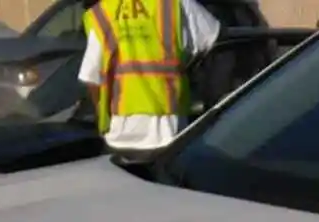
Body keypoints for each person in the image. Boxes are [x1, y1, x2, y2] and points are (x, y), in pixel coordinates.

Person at [78, 0, 220, 153]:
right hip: (169, 130)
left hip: (120, 134)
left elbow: (92, 78)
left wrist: (101, 116)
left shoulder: (102, 11)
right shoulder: (176, 4)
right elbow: (214, 39)